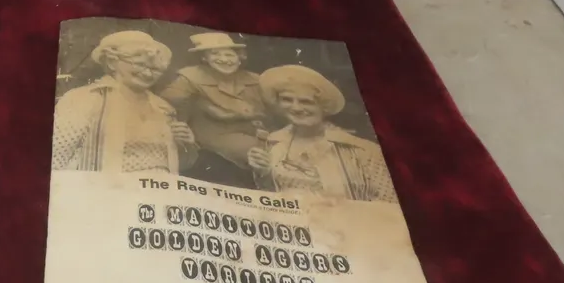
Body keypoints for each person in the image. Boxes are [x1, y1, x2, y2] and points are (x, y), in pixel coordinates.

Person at [52, 31, 198, 173]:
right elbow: (56, 161)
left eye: (155, 69)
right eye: (140, 65)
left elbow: (178, 165)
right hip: (105, 188)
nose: (147, 73)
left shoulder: (163, 108)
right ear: (112, 62)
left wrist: (187, 145)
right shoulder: (83, 99)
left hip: (160, 188)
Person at [247, 65, 397, 203]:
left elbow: (389, 206)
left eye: (306, 102)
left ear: (324, 106)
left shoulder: (363, 151)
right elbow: (270, 198)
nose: (296, 108)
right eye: (287, 100)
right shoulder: (272, 142)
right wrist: (263, 172)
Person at [158, 33, 266, 188]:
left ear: (239, 57)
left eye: (229, 54)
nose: (224, 59)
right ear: (204, 58)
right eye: (215, 54)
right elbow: (166, 103)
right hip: (213, 140)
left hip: (257, 137)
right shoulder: (191, 77)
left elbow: (275, 111)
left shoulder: (255, 79)